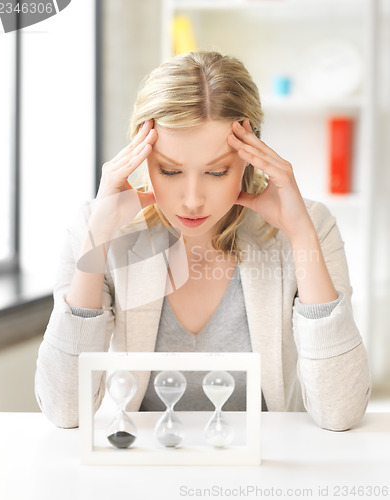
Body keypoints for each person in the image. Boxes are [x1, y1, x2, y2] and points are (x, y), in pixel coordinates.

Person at [35, 50, 371, 431]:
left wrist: (301, 233)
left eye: (216, 171)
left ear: (250, 155)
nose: (192, 199)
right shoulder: (99, 226)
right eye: (170, 170)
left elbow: (340, 412)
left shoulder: (308, 228)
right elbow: (64, 409)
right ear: (139, 155)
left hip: (268, 470)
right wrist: (96, 240)